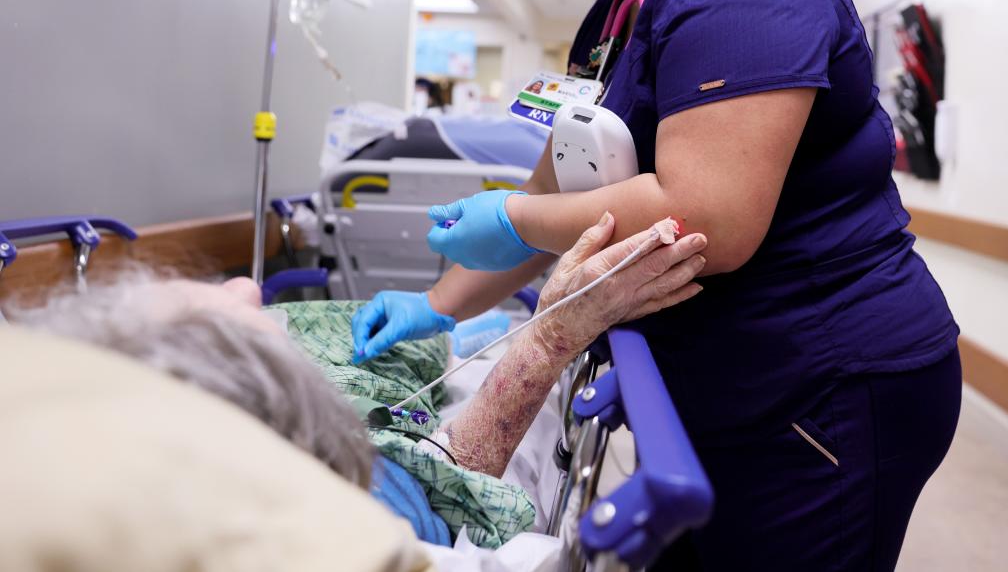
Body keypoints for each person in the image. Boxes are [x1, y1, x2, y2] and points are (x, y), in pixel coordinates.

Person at [350, 0, 962, 571]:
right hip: (725, 379)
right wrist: (438, 303)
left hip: (828, 379)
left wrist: (513, 216)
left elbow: (711, 216)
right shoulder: (615, 12)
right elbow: (558, 191)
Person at [14, 215, 705, 568]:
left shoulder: (77, 389)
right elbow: (448, 472)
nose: (246, 284)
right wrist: (548, 337)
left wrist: (444, 311)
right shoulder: (315, 482)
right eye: (239, 318)